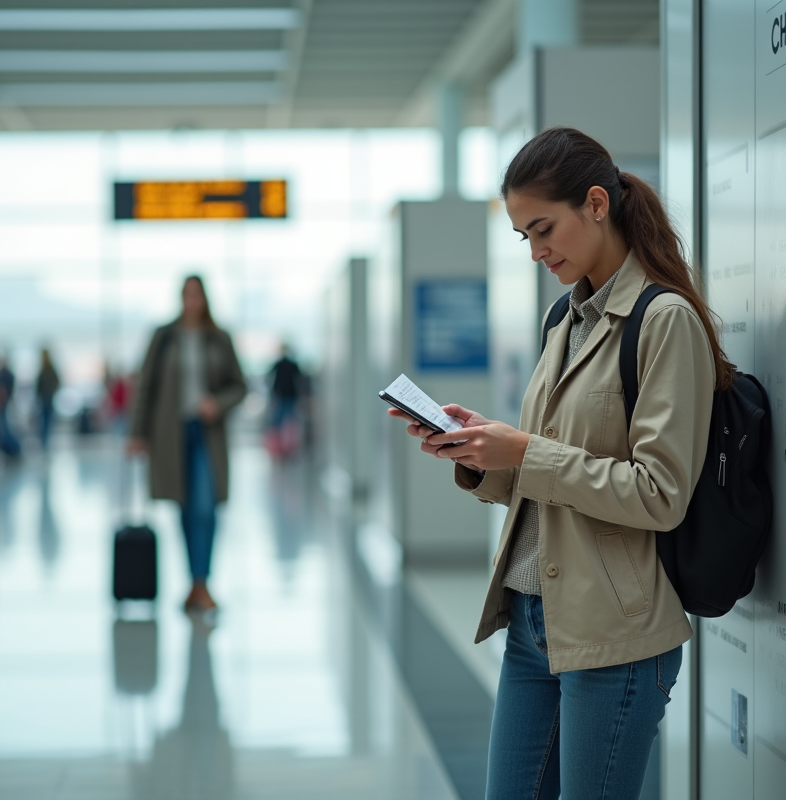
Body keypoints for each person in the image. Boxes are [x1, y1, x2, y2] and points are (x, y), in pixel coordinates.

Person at [389, 128, 725, 800]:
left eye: (543, 230)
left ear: (596, 204)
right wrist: (480, 452)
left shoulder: (664, 321)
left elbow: (659, 493)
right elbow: (545, 471)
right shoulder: (561, 321)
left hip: (614, 634)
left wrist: (523, 450)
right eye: (524, 236)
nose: (536, 251)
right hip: (532, 621)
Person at [127, 275, 246, 613]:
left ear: (205, 298)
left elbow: (239, 386)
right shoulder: (164, 337)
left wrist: (217, 403)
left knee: (205, 507)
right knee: (183, 506)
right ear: (180, 298)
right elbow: (145, 386)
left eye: (197, 295)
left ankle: (202, 582)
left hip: (206, 432)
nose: (192, 301)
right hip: (171, 433)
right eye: (187, 295)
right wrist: (137, 433)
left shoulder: (219, 338)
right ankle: (193, 584)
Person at [265, 343, 306, 457]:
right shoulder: (285, 364)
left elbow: (300, 380)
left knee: (286, 422)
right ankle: (281, 447)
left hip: (287, 396)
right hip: (283, 396)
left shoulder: (288, 365)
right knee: (283, 421)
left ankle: (286, 447)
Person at [35, 348, 61, 450]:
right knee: (43, 421)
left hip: (49, 398)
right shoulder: (42, 370)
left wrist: (50, 391)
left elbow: (56, 383)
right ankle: (43, 442)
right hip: (43, 399)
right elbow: (38, 385)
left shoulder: (50, 370)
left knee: (47, 421)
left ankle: (45, 442)